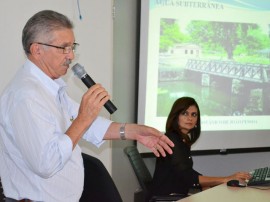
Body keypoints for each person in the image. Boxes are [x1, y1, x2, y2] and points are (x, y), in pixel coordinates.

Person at [0, 10, 174, 202]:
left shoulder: (50, 88)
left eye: (72, 47)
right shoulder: (25, 96)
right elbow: (46, 163)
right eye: (64, 48)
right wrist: (83, 118)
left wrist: (133, 131)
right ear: (37, 50)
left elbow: (90, 126)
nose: (71, 56)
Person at [151, 97, 251, 196]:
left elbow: (186, 172)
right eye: (185, 113)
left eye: (194, 115)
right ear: (176, 116)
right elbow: (188, 177)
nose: (190, 118)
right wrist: (226, 179)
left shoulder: (180, 139)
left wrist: (205, 183)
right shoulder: (172, 140)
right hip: (169, 198)